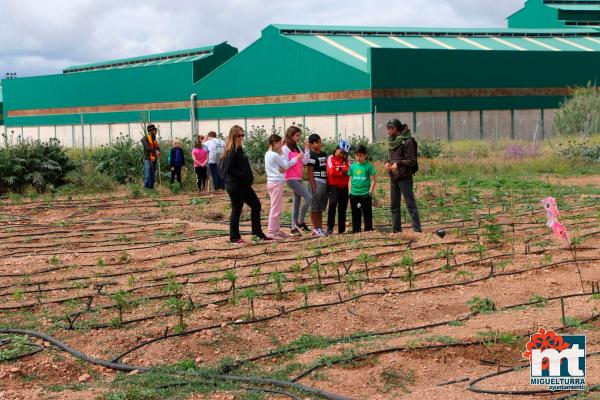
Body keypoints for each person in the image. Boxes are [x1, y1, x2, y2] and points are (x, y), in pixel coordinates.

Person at [220, 125, 270, 244]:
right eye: (239, 135)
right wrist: (242, 175)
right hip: (235, 185)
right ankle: (234, 237)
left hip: (244, 185)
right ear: (233, 136)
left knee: (256, 205)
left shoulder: (239, 148)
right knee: (237, 209)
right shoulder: (231, 150)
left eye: (243, 135)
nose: (241, 137)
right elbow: (228, 168)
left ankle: (257, 233)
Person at [384, 119, 422, 233]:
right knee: (394, 206)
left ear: (395, 129)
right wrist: (386, 163)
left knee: (411, 205)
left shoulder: (408, 141)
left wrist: (399, 163)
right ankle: (396, 231)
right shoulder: (392, 141)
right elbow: (389, 157)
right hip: (394, 177)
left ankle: (417, 230)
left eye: (389, 129)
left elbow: (412, 161)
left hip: (405, 178)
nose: (388, 132)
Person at [264, 134, 304, 239]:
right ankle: (272, 231)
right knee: (275, 208)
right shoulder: (275, 155)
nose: (281, 145)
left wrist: (283, 167)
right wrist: (294, 158)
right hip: (276, 182)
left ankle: (276, 230)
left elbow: (282, 167)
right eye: (280, 143)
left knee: (276, 207)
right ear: (275, 143)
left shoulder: (268, 154)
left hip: (271, 182)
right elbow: (285, 166)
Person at [283, 126, 312, 235]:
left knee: (296, 203)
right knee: (309, 197)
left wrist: (306, 149)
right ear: (291, 135)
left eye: (299, 135)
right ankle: (300, 222)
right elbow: (285, 165)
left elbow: (305, 161)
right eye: (297, 135)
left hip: (298, 178)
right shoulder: (285, 148)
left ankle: (293, 228)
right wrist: (296, 158)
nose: (299, 137)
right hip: (290, 178)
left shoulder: (297, 147)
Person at [348, 145, 376, 233]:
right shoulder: (352, 167)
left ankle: (368, 230)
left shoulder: (369, 167)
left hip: (365, 194)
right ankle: (356, 230)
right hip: (354, 194)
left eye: (361, 156)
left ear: (365, 155)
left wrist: (370, 192)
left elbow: (373, 181)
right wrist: (350, 192)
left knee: (367, 213)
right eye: (357, 155)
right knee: (355, 214)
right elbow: (350, 180)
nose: (358, 158)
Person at [326, 140, 351, 235]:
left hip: (344, 186)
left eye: (344, 153)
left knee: (342, 208)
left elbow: (349, 170)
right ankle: (330, 228)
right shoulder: (330, 158)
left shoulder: (347, 160)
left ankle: (341, 229)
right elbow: (331, 171)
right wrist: (342, 171)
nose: (342, 155)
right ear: (336, 149)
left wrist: (339, 169)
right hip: (334, 186)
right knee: (332, 205)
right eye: (341, 152)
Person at [306, 134, 328, 237]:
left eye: (319, 142)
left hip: (324, 181)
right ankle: (315, 228)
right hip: (316, 180)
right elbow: (309, 172)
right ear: (311, 144)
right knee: (314, 206)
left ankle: (319, 228)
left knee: (320, 207)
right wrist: (313, 185)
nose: (318, 144)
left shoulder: (324, 154)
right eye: (316, 142)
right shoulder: (311, 155)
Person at [141, 124, 160, 189]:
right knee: (147, 174)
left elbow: (157, 147)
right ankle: (146, 187)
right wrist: (155, 151)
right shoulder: (145, 138)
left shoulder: (154, 139)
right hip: (148, 159)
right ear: (150, 131)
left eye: (156, 131)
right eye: (155, 131)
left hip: (154, 159)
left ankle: (151, 188)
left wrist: (158, 151)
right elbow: (147, 147)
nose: (156, 132)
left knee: (153, 174)